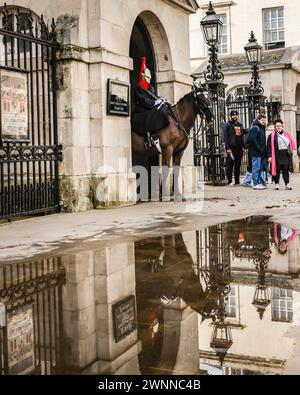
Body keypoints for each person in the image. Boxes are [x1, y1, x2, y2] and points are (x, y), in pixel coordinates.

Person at [131, 57, 170, 153]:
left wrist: (160, 99)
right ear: (143, 76)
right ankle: (149, 138)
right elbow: (143, 100)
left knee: (164, 108)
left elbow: (153, 97)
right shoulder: (139, 87)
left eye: (150, 77)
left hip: (149, 106)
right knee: (154, 114)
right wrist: (154, 103)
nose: (149, 79)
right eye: (148, 77)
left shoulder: (150, 87)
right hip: (141, 109)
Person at [267, 119, 296, 190]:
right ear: (274, 127)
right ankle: (276, 184)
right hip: (276, 155)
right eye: (277, 126)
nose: (278, 127)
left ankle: (287, 184)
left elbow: (291, 143)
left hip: (286, 154)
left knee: (286, 170)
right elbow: (269, 147)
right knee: (277, 169)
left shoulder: (287, 134)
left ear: (282, 126)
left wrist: (292, 149)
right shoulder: (271, 136)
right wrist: (269, 156)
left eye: (279, 125)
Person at [223, 110, 245, 186]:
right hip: (231, 148)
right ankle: (229, 181)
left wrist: (243, 147)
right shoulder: (228, 125)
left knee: (238, 165)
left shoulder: (240, 125)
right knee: (230, 165)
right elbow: (225, 137)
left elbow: (242, 136)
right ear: (231, 116)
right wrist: (227, 148)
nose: (234, 116)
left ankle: (237, 181)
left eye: (236, 115)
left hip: (239, 148)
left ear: (237, 116)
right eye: (233, 115)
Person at [248, 114, 267, 190]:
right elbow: (252, 140)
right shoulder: (256, 128)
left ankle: (258, 182)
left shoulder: (262, 128)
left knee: (259, 168)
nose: (263, 121)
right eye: (262, 120)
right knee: (256, 168)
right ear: (258, 120)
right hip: (256, 152)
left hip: (261, 152)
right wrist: (259, 148)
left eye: (264, 120)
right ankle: (256, 183)